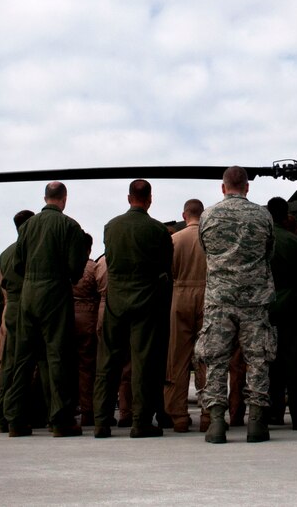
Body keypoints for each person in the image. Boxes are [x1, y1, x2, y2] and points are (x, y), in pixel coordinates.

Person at [196, 166, 277, 444]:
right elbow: (270, 252)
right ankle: (256, 422)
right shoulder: (262, 215)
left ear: (223, 187)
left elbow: (205, 251)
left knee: (216, 361)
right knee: (258, 361)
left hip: (220, 300)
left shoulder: (208, 215)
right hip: (255, 301)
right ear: (247, 187)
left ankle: (217, 422)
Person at [5, 182, 89, 437]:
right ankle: (60, 419)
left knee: (22, 357)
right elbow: (76, 270)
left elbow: (18, 264)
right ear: (64, 199)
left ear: (45, 198)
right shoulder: (70, 226)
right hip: (55, 293)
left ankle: (15, 420)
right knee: (57, 356)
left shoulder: (28, 225)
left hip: (28, 294)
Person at [94, 179, 174, 439]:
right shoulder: (158, 231)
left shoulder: (111, 227)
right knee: (144, 361)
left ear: (129, 198)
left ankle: (101, 422)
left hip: (116, 300)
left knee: (108, 361)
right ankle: (141, 422)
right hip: (146, 301)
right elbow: (166, 267)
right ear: (150, 199)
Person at [266, 196, 297, 430]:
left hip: (267, 310)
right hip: (295, 309)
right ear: (286, 216)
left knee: (269, 364)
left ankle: (273, 413)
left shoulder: (261, 242)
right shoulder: (294, 242)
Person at [164, 199, 208, 432]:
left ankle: (178, 415)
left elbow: (167, 272)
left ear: (184, 215)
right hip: (206, 296)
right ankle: (208, 413)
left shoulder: (174, 240)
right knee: (206, 358)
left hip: (179, 295)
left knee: (177, 358)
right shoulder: (209, 239)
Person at [0, 209, 35, 432]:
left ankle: (0, 413)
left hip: (11, 307)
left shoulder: (6, 253)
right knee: (24, 362)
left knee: (8, 361)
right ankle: (15, 413)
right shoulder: (30, 250)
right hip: (26, 306)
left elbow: (3, 283)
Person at [72, 241, 105, 427]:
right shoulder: (94, 267)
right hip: (89, 315)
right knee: (88, 367)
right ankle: (88, 411)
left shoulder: (67, 266)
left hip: (67, 316)